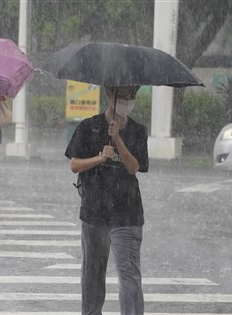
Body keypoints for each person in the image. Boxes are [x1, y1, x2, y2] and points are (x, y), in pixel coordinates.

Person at [65, 86, 149, 315]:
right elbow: (74, 165)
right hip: (94, 210)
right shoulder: (88, 126)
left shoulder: (138, 131)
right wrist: (100, 157)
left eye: (132, 96)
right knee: (92, 275)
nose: (128, 100)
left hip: (128, 212)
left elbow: (134, 168)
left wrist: (117, 139)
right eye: (123, 96)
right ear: (109, 95)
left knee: (129, 274)